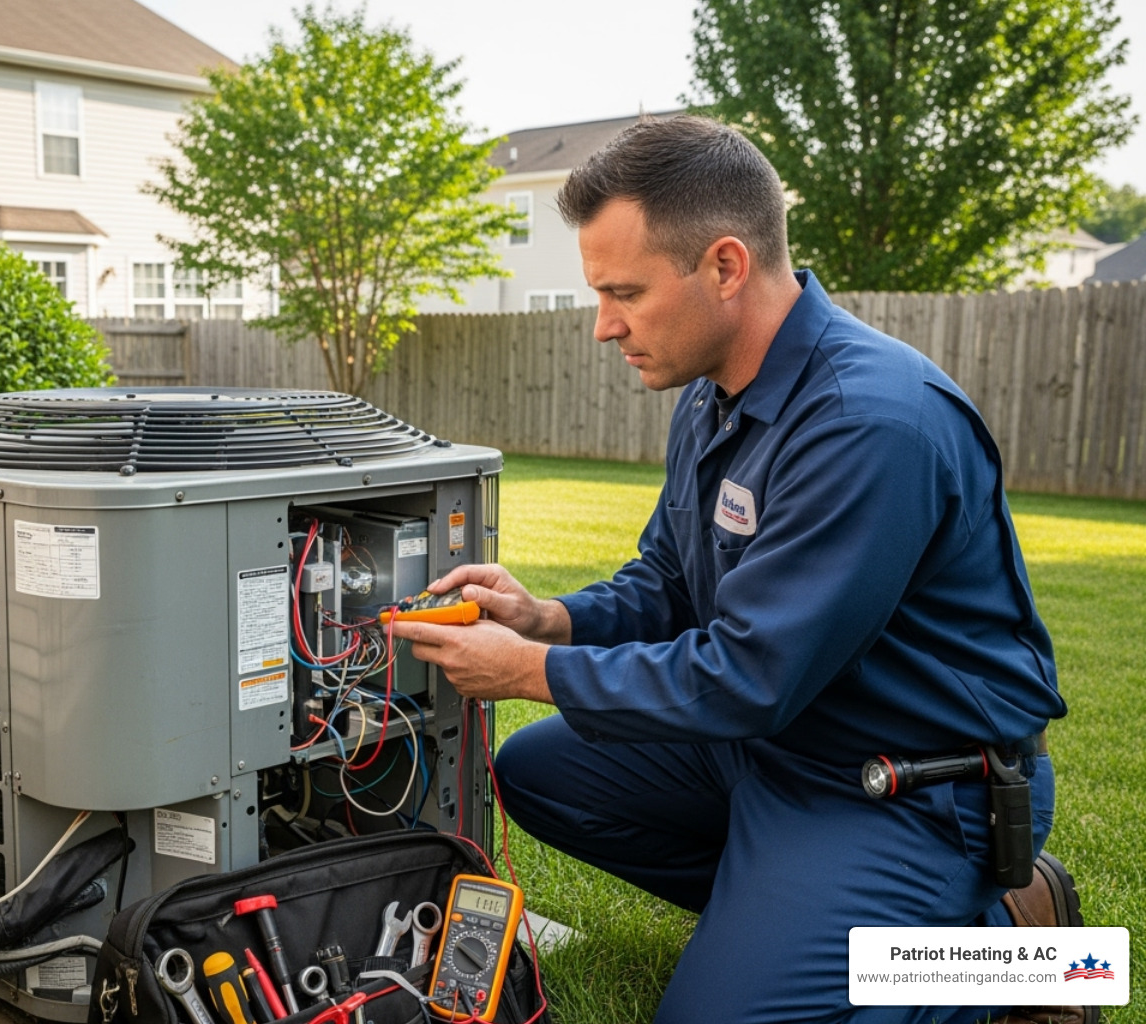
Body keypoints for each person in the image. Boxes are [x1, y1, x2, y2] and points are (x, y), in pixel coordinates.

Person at [388, 116, 1088, 1024]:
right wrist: (548, 619)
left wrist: (526, 672)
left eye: (625, 292)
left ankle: (1009, 951)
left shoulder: (869, 423)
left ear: (725, 266)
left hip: (906, 786)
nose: (604, 327)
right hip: (774, 749)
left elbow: (751, 673)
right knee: (539, 773)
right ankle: (792, 924)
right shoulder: (717, 398)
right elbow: (671, 585)